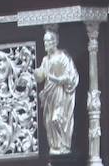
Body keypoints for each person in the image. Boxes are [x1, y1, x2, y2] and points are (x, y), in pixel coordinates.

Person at [35, 28, 80, 156]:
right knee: (49, 121)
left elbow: (70, 76)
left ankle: (64, 145)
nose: (45, 44)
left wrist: (56, 79)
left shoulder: (63, 57)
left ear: (54, 42)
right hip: (49, 95)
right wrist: (37, 74)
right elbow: (41, 76)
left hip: (60, 92)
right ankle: (55, 146)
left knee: (57, 119)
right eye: (44, 41)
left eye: (48, 41)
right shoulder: (45, 59)